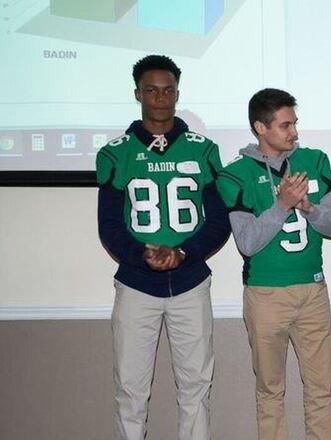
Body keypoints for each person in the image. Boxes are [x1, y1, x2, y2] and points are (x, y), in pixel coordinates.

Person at [96, 54, 230, 440]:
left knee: (196, 388)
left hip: (190, 282)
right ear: (137, 94)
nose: (160, 98)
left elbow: (218, 221)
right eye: (152, 90)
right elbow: (109, 226)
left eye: (168, 90)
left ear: (177, 93)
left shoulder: (202, 150)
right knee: (130, 390)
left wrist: (183, 252)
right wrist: (141, 255)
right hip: (136, 284)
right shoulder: (116, 152)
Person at [216, 88, 331, 440]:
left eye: (295, 123)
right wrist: (282, 205)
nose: (294, 132)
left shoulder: (313, 161)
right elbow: (246, 243)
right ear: (261, 127)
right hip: (266, 294)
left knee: (320, 391)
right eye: (285, 125)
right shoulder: (236, 175)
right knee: (270, 391)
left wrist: (309, 207)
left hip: (312, 291)